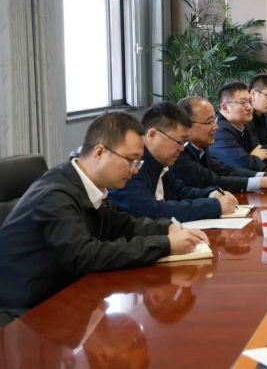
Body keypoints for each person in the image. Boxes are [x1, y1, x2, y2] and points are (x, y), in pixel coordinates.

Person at [0, 112, 208, 312]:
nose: (135, 170)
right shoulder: (55, 195)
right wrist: (166, 244)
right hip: (27, 311)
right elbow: (86, 256)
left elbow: (122, 224)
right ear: (99, 153)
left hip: (67, 297)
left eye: (138, 162)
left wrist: (168, 228)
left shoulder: (87, 186)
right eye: (131, 161)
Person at [108, 103, 238, 222]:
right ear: (152, 135)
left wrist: (212, 194)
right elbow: (151, 211)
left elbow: (179, 191)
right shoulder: (132, 166)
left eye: (184, 143)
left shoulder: (160, 162)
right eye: (179, 142)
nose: (182, 148)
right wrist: (214, 206)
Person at [172, 96, 267, 193]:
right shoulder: (180, 154)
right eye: (209, 122)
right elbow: (214, 180)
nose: (216, 127)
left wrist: (266, 176)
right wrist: (263, 183)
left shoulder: (202, 148)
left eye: (214, 120)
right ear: (186, 126)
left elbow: (227, 171)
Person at [211, 82, 267, 171]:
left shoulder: (245, 124)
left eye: (250, 101)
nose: (250, 107)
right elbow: (244, 166)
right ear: (225, 107)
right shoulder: (219, 130)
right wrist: (253, 158)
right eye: (242, 102)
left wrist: (251, 159)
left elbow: (266, 155)